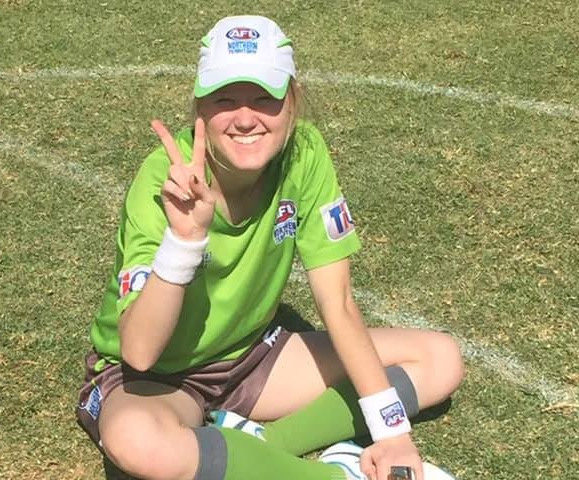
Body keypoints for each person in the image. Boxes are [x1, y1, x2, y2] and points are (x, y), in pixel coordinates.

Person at [76, 14, 464, 480]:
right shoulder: (162, 179)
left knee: (440, 359)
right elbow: (139, 351)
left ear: (292, 104)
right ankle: (336, 477)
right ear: (199, 107)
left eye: (265, 98)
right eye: (225, 99)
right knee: (138, 442)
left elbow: (336, 302)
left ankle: (255, 445)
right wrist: (184, 240)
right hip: (158, 379)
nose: (245, 118)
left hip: (251, 359)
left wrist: (393, 435)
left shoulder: (305, 153)